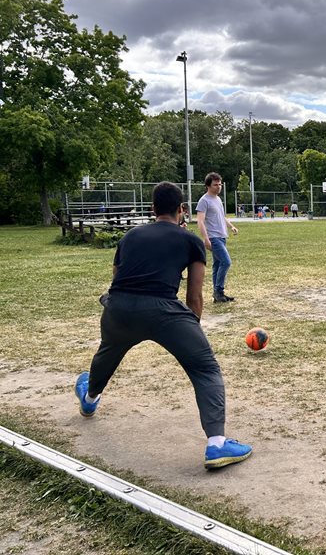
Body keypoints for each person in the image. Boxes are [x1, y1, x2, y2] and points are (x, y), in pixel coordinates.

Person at [73, 181, 252, 470]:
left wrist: (116, 304)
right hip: (164, 311)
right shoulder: (190, 240)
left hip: (119, 308)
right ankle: (217, 444)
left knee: (107, 354)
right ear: (182, 210)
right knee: (205, 368)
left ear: (152, 209)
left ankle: (90, 398)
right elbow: (194, 295)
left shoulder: (130, 236)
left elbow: (117, 280)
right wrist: (190, 332)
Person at [196, 172, 238, 303]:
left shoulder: (218, 199)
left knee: (217, 265)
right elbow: (200, 221)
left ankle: (218, 294)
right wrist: (206, 238)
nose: (219, 187)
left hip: (222, 236)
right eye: (215, 184)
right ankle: (218, 291)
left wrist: (231, 226)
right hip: (213, 237)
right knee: (226, 262)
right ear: (208, 185)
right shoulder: (204, 201)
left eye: (220, 184)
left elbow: (221, 216)